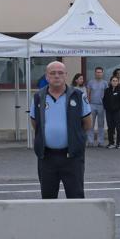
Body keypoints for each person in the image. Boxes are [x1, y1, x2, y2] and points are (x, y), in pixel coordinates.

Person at [29, 61, 92, 199]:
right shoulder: (38, 97)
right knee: (48, 198)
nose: (56, 76)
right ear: (46, 77)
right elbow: (35, 124)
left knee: (76, 197)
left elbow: (87, 123)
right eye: (52, 73)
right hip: (47, 158)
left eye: (60, 73)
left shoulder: (78, 96)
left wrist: (75, 138)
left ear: (66, 75)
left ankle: (75, 222)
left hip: (72, 157)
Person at [103, 68, 120, 149]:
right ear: (110, 82)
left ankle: (118, 143)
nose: (114, 82)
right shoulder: (107, 90)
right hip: (109, 112)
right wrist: (107, 108)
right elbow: (104, 100)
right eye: (113, 81)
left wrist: (118, 108)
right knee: (110, 127)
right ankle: (111, 143)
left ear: (118, 82)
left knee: (118, 127)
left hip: (117, 112)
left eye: (116, 81)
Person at [86, 67, 108, 145]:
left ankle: (100, 141)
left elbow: (106, 95)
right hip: (92, 105)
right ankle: (90, 141)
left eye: (100, 72)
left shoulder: (105, 83)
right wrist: (88, 104)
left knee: (101, 124)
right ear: (95, 73)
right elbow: (88, 94)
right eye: (97, 72)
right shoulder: (90, 82)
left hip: (101, 105)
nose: (98, 74)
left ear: (102, 73)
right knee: (90, 124)